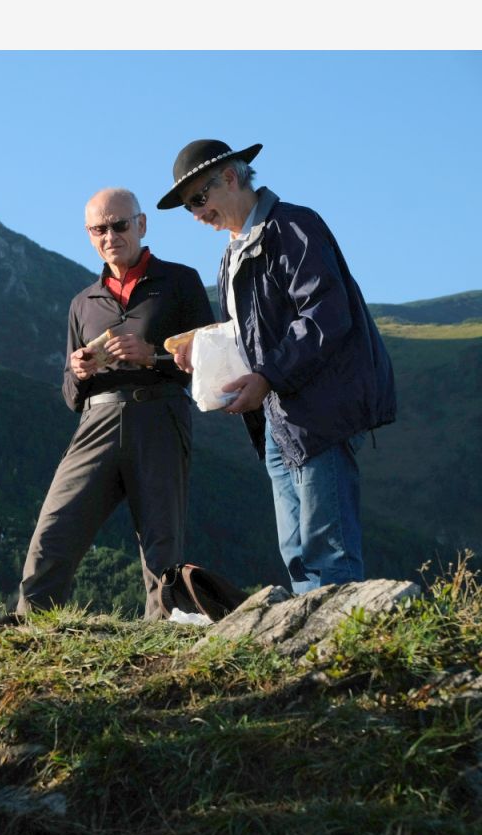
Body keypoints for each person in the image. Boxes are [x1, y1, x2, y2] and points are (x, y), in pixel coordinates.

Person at [157, 139, 395, 594]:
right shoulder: (232, 253)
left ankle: (342, 635)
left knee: (328, 549)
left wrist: (268, 376)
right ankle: (311, 633)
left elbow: (326, 314)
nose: (196, 214)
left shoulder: (291, 227)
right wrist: (202, 349)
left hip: (320, 411)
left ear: (231, 177)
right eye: (188, 206)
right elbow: (250, 334)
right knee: (296, 551)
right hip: (277, 416)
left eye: (199, 199)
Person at [12, 188, 214, 618]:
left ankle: (163, 640)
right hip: (96, 419)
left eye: (119, 225)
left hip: (160, 416)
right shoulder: (82, 303)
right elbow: (70, 395)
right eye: (98, 229)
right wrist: (79, 371)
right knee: (54, 531)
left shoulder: (181, 282)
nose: (110, 236)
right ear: (88, 235)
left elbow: (212, 362)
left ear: (141, 225)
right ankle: (29, 631)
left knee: (162, 545)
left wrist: (153, 356)